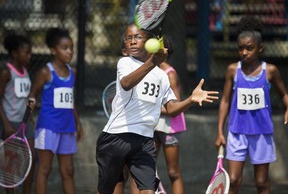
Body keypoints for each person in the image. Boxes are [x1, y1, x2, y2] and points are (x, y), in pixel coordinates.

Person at [96, 22, 219, 194]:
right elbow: (126, 83)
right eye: (128, 38)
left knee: (148, 190)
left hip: (145, 141)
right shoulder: (125, 63)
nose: (132, 41)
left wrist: (190, 99)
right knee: (107, 190)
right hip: (117, 137)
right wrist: (153, 62)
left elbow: (171, 108)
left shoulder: (162, 76)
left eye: (137, 37)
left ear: (149, 42)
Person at [214, 16, 288, 194]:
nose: (244, 52)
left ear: (260, 48)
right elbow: (225, 101)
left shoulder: (269, 71)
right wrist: (219, 132)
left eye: (249, 48)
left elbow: (284, 93)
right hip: (237, 133)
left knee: (261, 182)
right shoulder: (233, 70)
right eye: (241, 49)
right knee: (233, 180)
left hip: (262, 133)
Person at [28, 28, 83, 194]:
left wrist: (77, 122)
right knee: (44, 170)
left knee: (68, 171)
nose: (70, 51)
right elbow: (33, 92)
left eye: (71, 48)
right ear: (53, 50)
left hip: (67, 127)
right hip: (48, 126)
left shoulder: (73, 72)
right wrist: (31, 100)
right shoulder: (46, 72)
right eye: (64, 48)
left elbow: (70, 99)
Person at [0, 34, 35, 194]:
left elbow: (26, 97)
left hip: (25, 122)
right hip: (11, 123)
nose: (29, 55)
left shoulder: (25, 71)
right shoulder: (6, 72)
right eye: (26, 52)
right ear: (14, 53)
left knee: (31, 159)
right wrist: (6, 124)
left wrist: (31, 113)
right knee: (11, 163)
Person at [154, 35, 185, 194]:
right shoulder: (149, 71)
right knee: (147, 170)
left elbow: (177, 105)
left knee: (173, 172)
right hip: (152, 126)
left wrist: (154, 108)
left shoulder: (170, 74)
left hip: (170, 128)